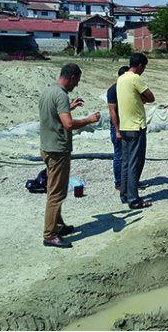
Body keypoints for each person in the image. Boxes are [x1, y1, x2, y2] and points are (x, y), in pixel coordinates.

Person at [39, 63, 100, 248]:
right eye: (77, 81)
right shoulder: (61, 95)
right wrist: (89, 120)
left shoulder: (49, 91)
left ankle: (58, 225)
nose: (77, 85)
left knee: (53, 189)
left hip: (47, 147)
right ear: (72, 77)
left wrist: (70, 107)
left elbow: (54, 115)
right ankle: (50, 235)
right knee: (57, 194)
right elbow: (68, 125)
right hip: (58, 150)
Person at [117, 53, 156, 209]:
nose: (143, 70)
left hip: (124, 126)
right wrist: (143, 98)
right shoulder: (135, 78)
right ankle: (134, 199)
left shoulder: (121, 79)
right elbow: (151, 97)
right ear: (139, 65)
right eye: (144, 67)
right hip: (136, 127)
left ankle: (125, 194)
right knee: (135, 164)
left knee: (126, 163)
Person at [106, 65, 130, 190]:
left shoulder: (130, 88)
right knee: (119, 155)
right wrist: (117, 130)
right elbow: (112, 111)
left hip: (130, 126)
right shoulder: (113, 90)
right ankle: (119, 182)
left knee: (130, 156)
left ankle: (129, 180)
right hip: (119, 126)